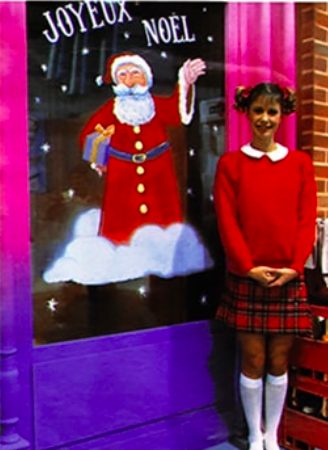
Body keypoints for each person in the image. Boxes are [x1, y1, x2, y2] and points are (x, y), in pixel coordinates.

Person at [213, 83, 317, 450]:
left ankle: (271, 434)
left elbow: (307, 219)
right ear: (247, 113)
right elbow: (227, 221)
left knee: (279, 359)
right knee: (254, 358)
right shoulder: (231, 164)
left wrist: (295, 266)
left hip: (288, 277)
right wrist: (246, 266)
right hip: (248, 276)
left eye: (272, 112)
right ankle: (254, 435)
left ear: (282, 115)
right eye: (258, 110)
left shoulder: (300, 163)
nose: (265, 119)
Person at [80, 52, 206, 244]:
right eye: (123, 75)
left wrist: (185, 83)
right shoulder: (110, 109)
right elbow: (91, 135)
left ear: (146, 77)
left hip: (159, 169)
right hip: (122, 172)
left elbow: (176, 113)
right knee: (122, 220)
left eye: (135, 73)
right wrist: (101, 160)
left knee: (163, 217)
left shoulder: (155, 105)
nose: (129, 80)